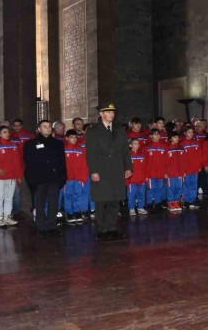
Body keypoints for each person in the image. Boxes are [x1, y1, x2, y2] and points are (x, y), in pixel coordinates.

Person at [85, 103, 132, 241]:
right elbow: (91, 153)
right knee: (101, 200)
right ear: (101, 114)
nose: (111, 114)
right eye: (108, 112)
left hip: (116, 169)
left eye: (113, 112)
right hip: (101, 169)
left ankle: (112, 228)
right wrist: (93, 171)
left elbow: (125, 151)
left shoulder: (119, 129)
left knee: (115, 199)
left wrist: (128, 167)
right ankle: (102, 229)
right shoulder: (93, 130)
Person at [23, 120, 66, 237]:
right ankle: (41, 227)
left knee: (53, 203)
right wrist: (31, 179)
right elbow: (29, 163)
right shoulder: (30, 144)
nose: (47, 128)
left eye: (49, 126)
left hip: (54, 177)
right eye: (44, 126)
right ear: (39, 129)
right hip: (39, 178)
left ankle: (52, 226)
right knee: (40, 203)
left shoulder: (58, 143)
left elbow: (62, 162)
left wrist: (62, 177)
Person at [63, 129, 91, 224]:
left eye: (75, 137)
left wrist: (83, 176)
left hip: (78, 177)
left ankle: (77, 212)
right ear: (67, 138)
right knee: (68, 195)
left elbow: (84, 164)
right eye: (71, 137)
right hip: (68, 178)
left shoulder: (80, 149)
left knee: (77, 194)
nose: (74, 139)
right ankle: (69, 213)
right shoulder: (64, 149)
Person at [144, 128, 168, 210]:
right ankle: (149, 203)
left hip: (160, 173)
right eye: (155, 134)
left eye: (158, 134)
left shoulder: (164, 147)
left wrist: (165, 172)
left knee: (159, 188)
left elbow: (166, 161)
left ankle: (158, 203)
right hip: (150, 173)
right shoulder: (147, 148)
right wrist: (146, 174)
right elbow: (145, 162)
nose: (157, 136)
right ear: (151, 136)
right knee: (151, 188)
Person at [180, 125, 202, 209]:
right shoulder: (181, 144)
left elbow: (199, 155)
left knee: (193, 184)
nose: (191, 133)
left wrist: (199, 166)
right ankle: (186, 201)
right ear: (185, 133)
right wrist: (183, 169)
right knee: (186, 184)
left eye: (192, 132)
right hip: (186, 169)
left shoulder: (196, 143)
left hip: (194, 168)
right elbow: (181, 159)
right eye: (189, 132)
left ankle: (192, 200)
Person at [126, 138, 148, 216]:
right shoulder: (127, 155)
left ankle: (140, 207)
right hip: (131, 179)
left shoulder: (142, 155)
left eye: (138, 143)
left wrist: (146, 176)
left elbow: (146, 167)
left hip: (141, 179)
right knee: (131, 194)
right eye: (135, 144)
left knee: (141, 194)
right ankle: (131, 208)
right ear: (130, 145)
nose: (137, 145)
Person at [166, 132, 185, 212]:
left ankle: (176, 202)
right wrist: (166, 172)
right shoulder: (167, 148)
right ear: (170, 139)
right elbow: (165, 162)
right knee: (171, 188)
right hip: (171, 173)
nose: (177, 138)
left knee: (179, 188)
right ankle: (170, 202)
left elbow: (183, 161)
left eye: (177, 137)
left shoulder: (181, 148)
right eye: (174, 137)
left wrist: (184, 171)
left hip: (179, 172)